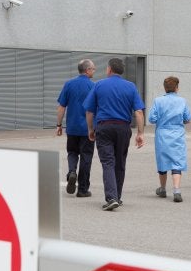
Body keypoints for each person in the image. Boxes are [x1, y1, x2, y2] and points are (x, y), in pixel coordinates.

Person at [84, 58, 145, 211]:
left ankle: (111, 197)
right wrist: (140, 133)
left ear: (109, 69)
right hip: (123, 128)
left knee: (108, 162)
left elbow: (90, 111)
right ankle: (117, 196)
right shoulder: (131, 87)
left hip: (104, 127)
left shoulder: (99, 85)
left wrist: (90, 129)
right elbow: (138, 111)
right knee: (120, 162)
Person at [56, 59, 96, 197]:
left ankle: (72, 171)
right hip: (88, 129)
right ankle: (83, 189)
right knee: (86, 156)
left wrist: (59, 125)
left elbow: (61, 106)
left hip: (72, 128)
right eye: (93, 69)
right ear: (87, 70)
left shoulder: (69, 84)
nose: (94, 71)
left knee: (72, 152)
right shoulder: (93, 86)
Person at [149, 76, 191, 203]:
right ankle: (177, 190)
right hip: (177, 133)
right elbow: (188, 118)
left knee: (162, 161)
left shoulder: (158, 101)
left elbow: (152, 119)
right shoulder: (182, 101)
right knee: (177, 161)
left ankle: (162, 189)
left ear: (165, 88)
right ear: (177, 88)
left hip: (162, 133)